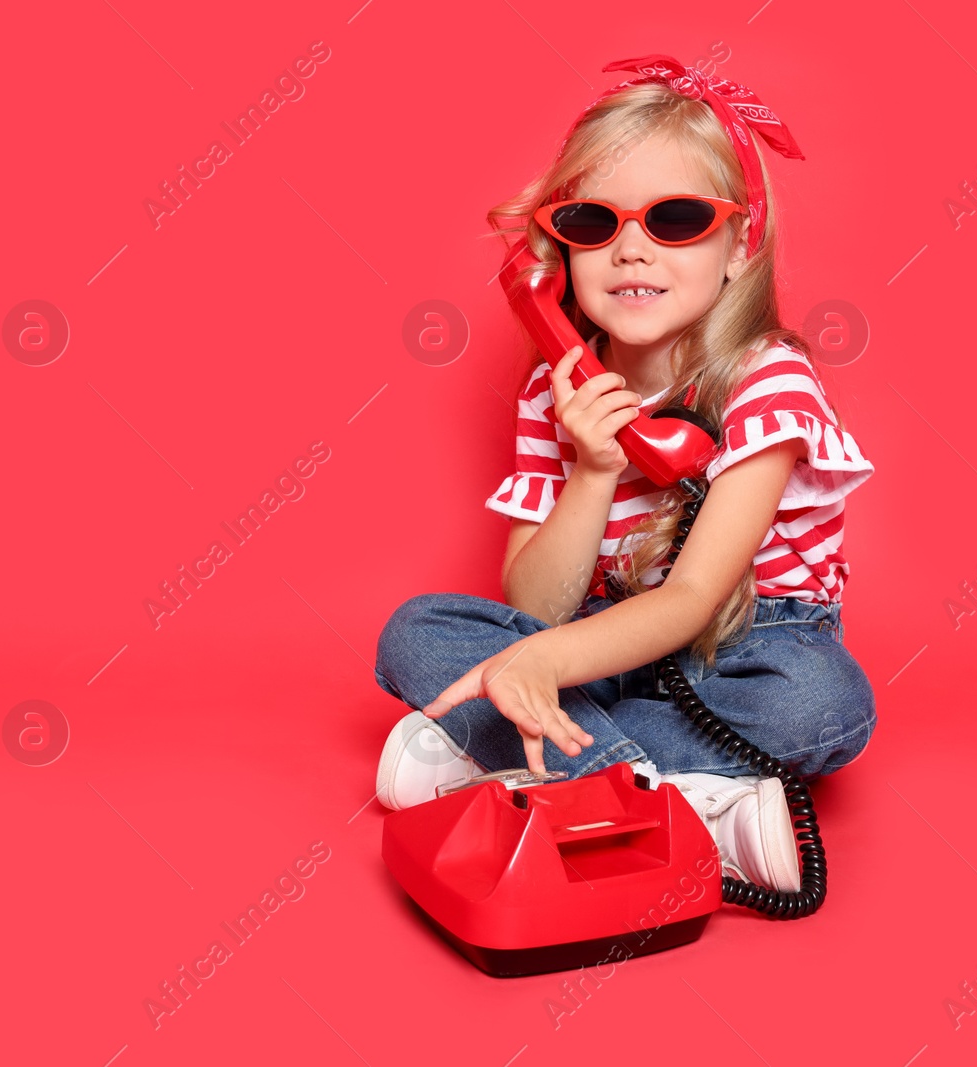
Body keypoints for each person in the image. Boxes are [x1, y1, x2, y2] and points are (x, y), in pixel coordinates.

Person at [373, 55, 877, 894]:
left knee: (822, 703)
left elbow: (690, 600)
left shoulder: (766, 380)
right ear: (557, 252)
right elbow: (535, 609)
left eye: (675, 219)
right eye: (593, 222)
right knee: (416, 630)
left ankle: (504, 765)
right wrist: (594, 469)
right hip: (602, 642)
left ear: (737, 244)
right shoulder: (554, 390)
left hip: (748, 645)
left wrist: (533, 671)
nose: (631, 249)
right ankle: (685, 800)